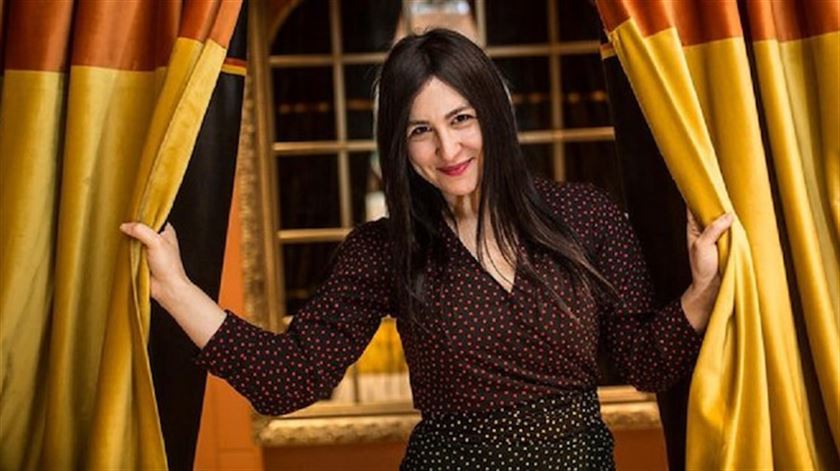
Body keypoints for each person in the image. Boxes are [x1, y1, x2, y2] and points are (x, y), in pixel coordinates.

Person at [121, 28, 733, 470]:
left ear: (494, 116)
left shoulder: (586, 215)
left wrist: (705, 291)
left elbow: (645, 364)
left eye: (461, 119)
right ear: (399, 145)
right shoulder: (383, 250)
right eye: (422, 130)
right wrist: (175, 288)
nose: (448, 149)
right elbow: (290, 379)